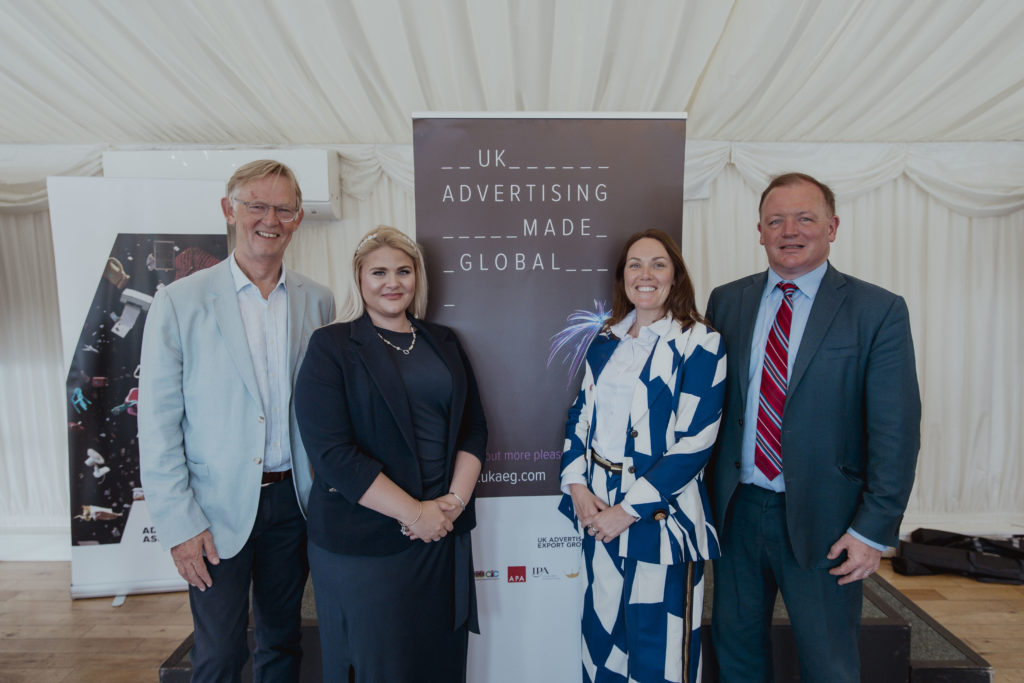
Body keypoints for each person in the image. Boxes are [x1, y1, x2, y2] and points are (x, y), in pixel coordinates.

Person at [705, 173, 921, 682]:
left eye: (805, 218)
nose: (790, 231)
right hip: (736, 513)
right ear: (760, 231)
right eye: (776, 220)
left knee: (829, 665)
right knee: (737, 655)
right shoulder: (727, 301)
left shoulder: (878, 310)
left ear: (832, 227)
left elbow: (896, 431)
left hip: (828, 520)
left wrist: (871, 529)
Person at [138, 160, 336, 681]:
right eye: (257, 205)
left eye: (284, 209)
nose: (270, 219)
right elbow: (157, 427)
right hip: (211, 511)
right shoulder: (178, 302)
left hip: (294, 504)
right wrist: (180, 524)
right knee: (219, 655)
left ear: (298, 219)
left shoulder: (319, 301)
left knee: (282, 644)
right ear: (230, 210)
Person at [294, 226, 487, 683]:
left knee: (439, 666)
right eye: (378, 272)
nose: (392, 282)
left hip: (441, 537)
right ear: (359, 278)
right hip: (365, 545)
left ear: (417, 276)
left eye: (403, 271)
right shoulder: (331, 346)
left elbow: (474, 429)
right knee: (379, 667)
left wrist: (451, 505)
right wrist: (414, 513)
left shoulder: (444, 341)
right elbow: (332, 454)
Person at [558, 229, 727, 683]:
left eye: (658, 264)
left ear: (676, 276)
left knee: (660, 657)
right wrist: (577, 486)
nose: (645, 274)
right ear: (623, 276)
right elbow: (580, 415)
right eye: (635, 264)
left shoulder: (701, 342)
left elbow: (696, 443)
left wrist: (628, 511)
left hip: (661, 522)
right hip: (598, 512)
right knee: (602, 645)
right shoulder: (605, 339)